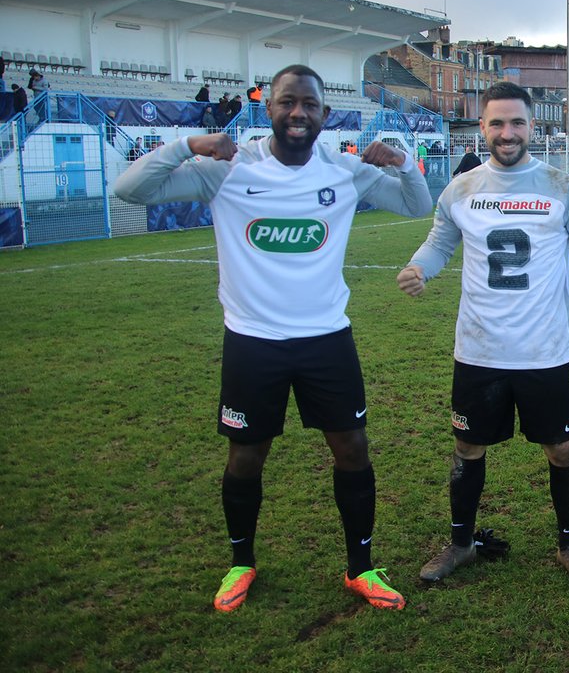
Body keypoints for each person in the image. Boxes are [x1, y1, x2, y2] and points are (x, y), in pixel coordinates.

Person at [113, 64, 433, 613]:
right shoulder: (227, 169)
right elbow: (129, 188)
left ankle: (362, 568)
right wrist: (186, 142)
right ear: (270, 108)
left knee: (352, 449)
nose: (298, 114)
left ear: (324, 115)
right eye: (288, 102)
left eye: (309, 104)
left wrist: (403, 163)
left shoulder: (344, 171)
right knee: (246, 456)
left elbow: (418, 205)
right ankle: (241, 562)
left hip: (326, 339)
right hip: (252, 342)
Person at [398, 81, 569, 587]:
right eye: (497, 123)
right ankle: (460, 543)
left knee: (561, 450)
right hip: (480, 349)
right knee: (468, 448)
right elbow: (438, 244)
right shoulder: (462, 189)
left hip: (545, 351)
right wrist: (419, 267)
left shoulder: (562, 186)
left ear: (532, 125)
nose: (507, 132)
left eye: (517, 122)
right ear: (482, 128)